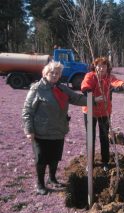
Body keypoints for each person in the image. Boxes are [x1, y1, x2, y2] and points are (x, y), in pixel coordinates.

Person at [22, 61, 101, 195]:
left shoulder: (62, 88)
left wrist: (93, 100)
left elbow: (76, 98)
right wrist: (29, 130)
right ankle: (40, 184)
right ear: (45, 73)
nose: (54, 75)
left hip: (58, 130)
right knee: (41, 159)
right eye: (52, 73)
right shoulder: (37, 89)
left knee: (54, 157)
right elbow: (27, 111)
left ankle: (52, 178)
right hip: (41, 132)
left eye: (57, 73)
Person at [81, 56, 124, 171]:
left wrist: (123, 84)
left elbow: (116, 82)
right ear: (95, 66)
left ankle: (105, 161)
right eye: (99, 66)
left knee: (104, 137)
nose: (101, 68)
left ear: (107, 67)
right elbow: (85, 85)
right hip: (90, 111)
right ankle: (90, 162)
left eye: (104, 66)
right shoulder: (90, 76)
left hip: (104, 111)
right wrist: (90, 94)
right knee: (90, 137)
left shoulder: (109, 78)